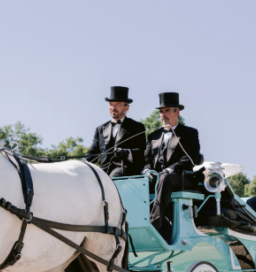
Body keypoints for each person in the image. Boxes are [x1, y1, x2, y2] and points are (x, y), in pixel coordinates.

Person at [143, 92, 202, 240]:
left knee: (165, 177)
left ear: (177, 112)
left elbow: (190, 159)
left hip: (182, 177)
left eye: (167, 111)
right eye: (161, 112)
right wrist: (147, 170)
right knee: (138, 181)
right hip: (158, 177)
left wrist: (170, 169)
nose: (163, 115)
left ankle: (154, 223)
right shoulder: (153, 136)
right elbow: (146, 159)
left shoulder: (189, 133)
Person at [84, 86, 147, 177]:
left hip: (125, 171)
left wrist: (127, 152)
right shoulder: (100, 129)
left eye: (117, 104)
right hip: (103, 172)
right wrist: (81, 164)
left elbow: (142, 152)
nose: (113, 107)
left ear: (126, 108)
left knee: (113, 177)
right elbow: (93, 153)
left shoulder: (137, 127)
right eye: (111, 104)